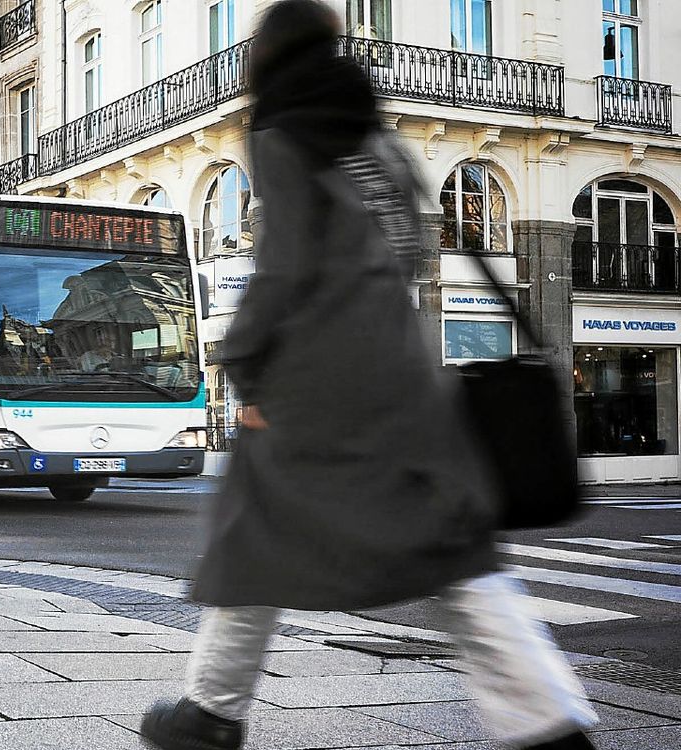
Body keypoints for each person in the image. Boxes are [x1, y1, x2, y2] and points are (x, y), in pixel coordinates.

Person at [139, 4, 596, 750]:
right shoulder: (375, 132)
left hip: (315, 379)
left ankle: (209, 712)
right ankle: (548, 719)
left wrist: (248, 365)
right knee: (452, 544)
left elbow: (285, 265)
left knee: (253, 536)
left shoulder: (284, 128)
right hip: (401, 369)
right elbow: (411, 245)